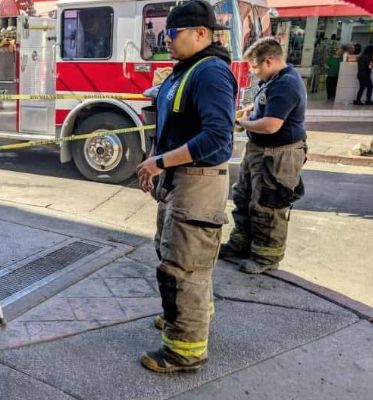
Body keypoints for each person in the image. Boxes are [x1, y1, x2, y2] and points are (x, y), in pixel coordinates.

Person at [135, 0, 236, 373]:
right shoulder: (188, 70)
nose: (167, 40)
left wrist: (159, 162)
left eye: (173, 34)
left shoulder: (210, 73)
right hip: (180, 183)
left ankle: (184, 351)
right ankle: (187, 317)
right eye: (166, 34)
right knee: (176, 257)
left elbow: (217, 138)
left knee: (185, 269)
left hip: (197, 185)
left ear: (201, 34)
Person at [220, 37, 307, 275]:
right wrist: (248, 110)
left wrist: (243, 123)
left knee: (268, 204)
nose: (254, 72)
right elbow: (265, 105)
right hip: (259, 151)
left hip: (278, 154)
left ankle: (265, 256)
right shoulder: (274, 80)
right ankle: (241, 245)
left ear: (268, 61)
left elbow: (270, 125)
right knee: (244, 196)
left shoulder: (286, 84)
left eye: (255, 67)